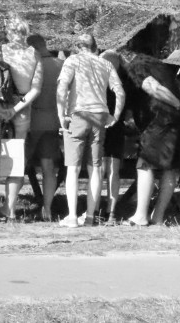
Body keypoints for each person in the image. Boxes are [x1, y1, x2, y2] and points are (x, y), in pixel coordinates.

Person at [56, 33, 125, 227]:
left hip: (78, 114)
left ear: (78, 47)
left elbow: (62, 87)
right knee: (95, 167)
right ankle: (90, 217)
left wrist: (61, 115)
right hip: (99, 116)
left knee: (73, 167)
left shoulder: (73, 61)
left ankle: (71, 216)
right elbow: (119, 91)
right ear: (96, 47)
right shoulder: (106, 64)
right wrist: (116, 115)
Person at [117, 51, 180, 227]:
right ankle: (157, 217)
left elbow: (154, 88)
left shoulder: (136, 66)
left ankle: (140, 216)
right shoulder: (157, 63)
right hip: (177, 121)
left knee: (144, 165)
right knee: (170, 168)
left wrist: (177, 104)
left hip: (160, 120)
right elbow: (179, 88)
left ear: (121, 58)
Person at [0, 16, 43, 220]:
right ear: (26, 33)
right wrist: (17, 108)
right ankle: (9, 208)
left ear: (8, 33)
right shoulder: (34, 54)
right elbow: (35, 89)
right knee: (18, 158)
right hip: (23, 109)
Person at [25, 34, 64, 221]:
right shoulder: (61, 65)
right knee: (49, 168)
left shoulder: (33, 64)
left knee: (19, 166)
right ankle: (47, 209)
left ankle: (9, 209)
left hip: (31, 122)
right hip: (53, 122)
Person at [100, 50, 127, 222]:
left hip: (101, 126)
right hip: (117, 127)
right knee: (112, 171)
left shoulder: (99, 81)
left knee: (100, 169)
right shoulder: (123, 83)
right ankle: (111, 211)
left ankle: (96, 210)